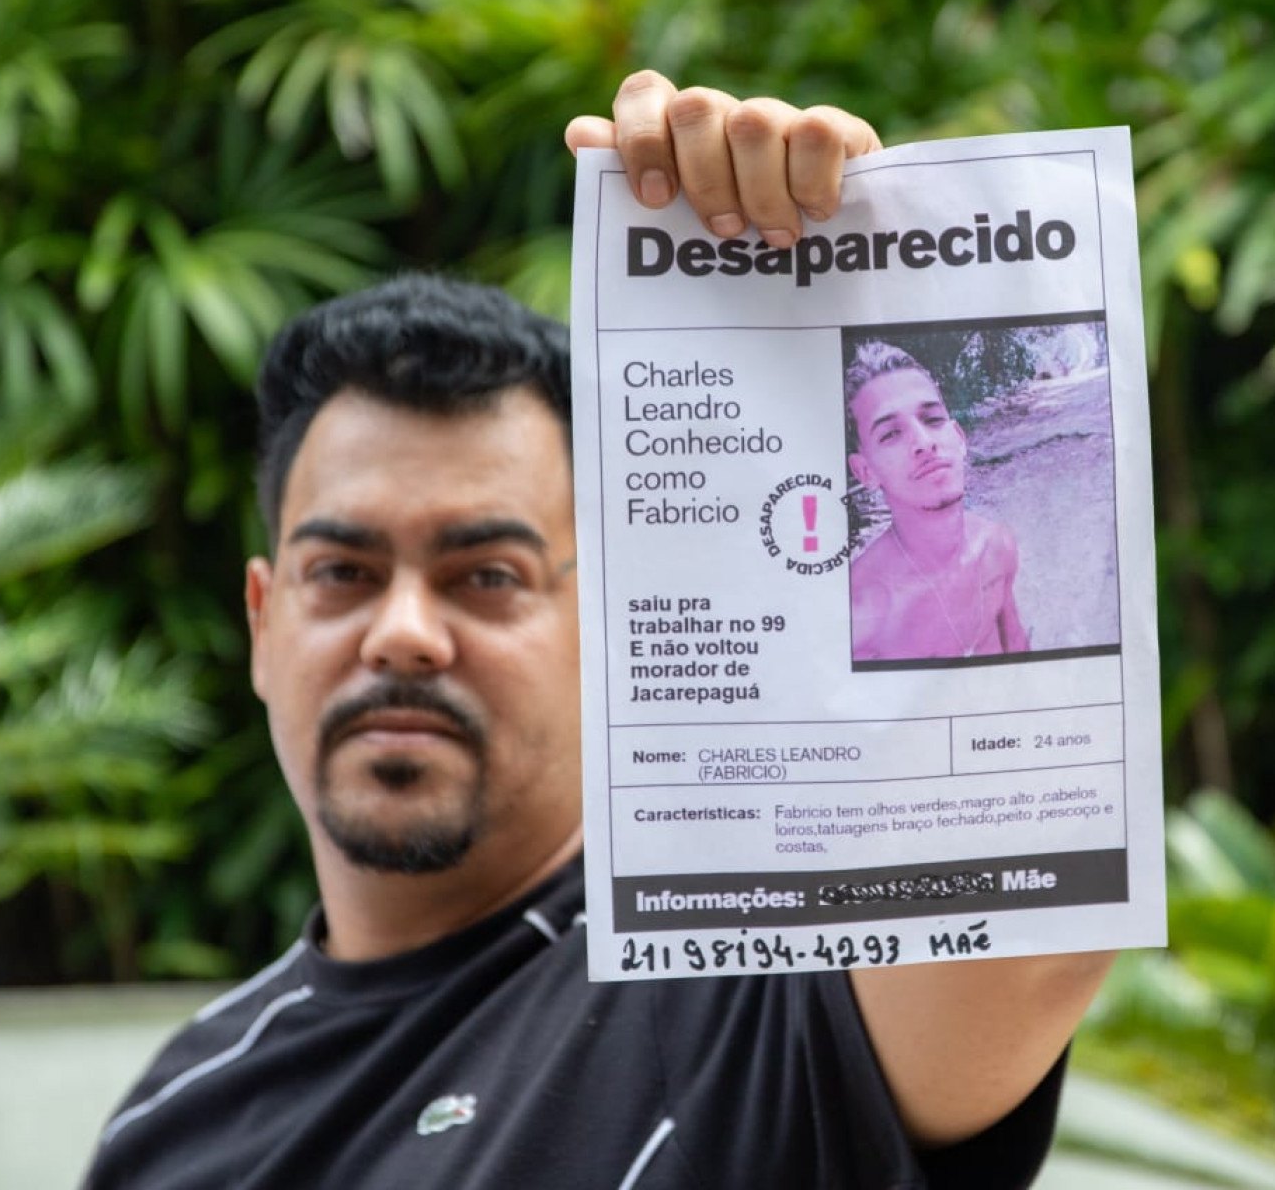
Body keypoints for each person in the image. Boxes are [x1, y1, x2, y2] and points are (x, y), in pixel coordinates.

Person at [83, 70, 1113, 1189]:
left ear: (614, 612)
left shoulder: (758, 979)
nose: (407, 633)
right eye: (343, 570)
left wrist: (858, 276)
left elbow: (1033, 908)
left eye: (487, 573)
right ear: (261, 619)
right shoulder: (174, 1128)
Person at [846, 341, 1030, 662]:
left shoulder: (996, 545)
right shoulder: (860, 616)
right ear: (865, 471)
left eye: (932, 419)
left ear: (959, 439)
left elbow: (1017, 650)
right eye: (890, 434)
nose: (924, 443)